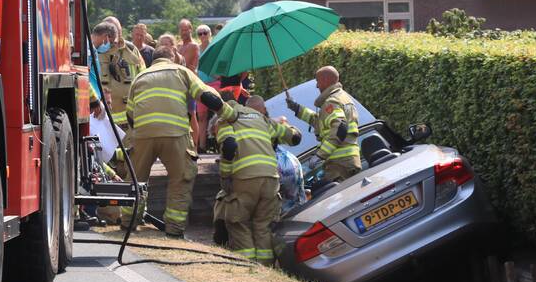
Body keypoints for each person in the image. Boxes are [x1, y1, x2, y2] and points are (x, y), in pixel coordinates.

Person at [121, 45, 235, 238]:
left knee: (136, 179)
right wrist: (230, 114)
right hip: (175, 134)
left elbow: (130, 114)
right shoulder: (181, 71)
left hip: (143, 135)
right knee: (181, 179)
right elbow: (206, 96)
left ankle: (128, 223)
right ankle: (174, 230)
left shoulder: (140, 77)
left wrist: (141, 132)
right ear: (172, 56)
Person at [214, 95, 302, 264]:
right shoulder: (263, 120)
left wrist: (225, 178)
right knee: (264, 226)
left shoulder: (227, 120)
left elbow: (229, 148)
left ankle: (248, 268)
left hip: (245, 178)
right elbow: (294, 137)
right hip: (271, 180)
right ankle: (266, 269)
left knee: (239, 222)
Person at [286, 65, 361, 183]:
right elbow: (321, 122)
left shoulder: (332, 102)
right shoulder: (342, 97)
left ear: (325, 80)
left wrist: (320, 155)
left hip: (339, 164)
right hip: (348, 161)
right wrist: (297, 108)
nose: (316, 85)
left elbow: (340, 128)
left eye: (318, 81)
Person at [96, 19, 145, 128]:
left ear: (120, 31)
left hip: (130, 118)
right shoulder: (93, 51)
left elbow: (144, 77)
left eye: (114, 32)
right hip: (102, 120)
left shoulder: (131, 50)